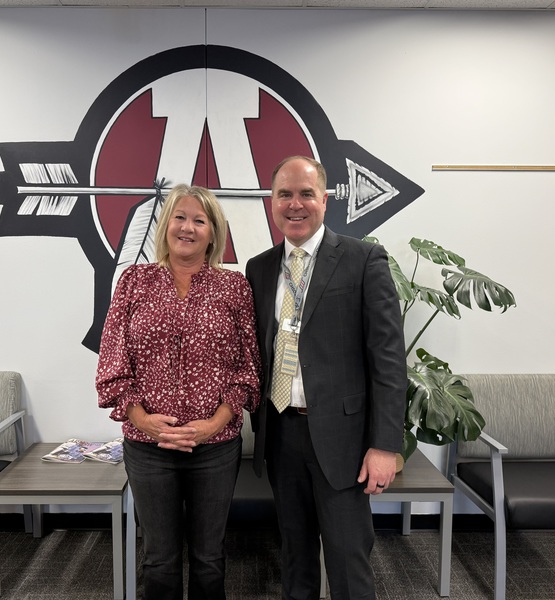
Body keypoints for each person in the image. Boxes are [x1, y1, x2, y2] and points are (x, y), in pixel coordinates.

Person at [245, 156, 407, 600]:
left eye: (306, 194)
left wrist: (385, 445)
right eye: (284, 194)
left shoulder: (362, 258)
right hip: (280, 433)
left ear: (325, 199)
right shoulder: (258, 269)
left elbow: (389, 360)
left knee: (348, 560)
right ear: (271, 201)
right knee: (294, 557)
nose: (295, 205)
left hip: (344, 439)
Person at [96, 184, 261, 600]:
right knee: (160, 558)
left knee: (209, 557)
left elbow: (247, 368)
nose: (187, 227)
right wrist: (142, 419)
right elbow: (113, 362)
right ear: (165, 224)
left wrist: (214, 424)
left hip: (216, 447)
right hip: (149, 447)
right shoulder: (134, 281)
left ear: (213, 232)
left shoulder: (234, 287)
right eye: (179, 217)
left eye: (199, 220)